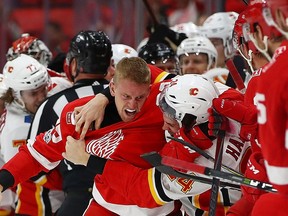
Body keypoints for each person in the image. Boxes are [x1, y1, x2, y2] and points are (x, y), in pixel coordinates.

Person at [0, 57, 183, 215]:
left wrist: (102, 97)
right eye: (126, 96)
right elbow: (37, 153)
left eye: (140, 97)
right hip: (106, 207)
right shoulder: (81, 115)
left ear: (150, 90)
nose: (132, 106)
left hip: (159, 207)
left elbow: (194, 85)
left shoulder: (163, 101)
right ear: (112, 88)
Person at [69, 74, 251, 215]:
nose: (163, 126)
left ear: (189, 123)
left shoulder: (202, 162)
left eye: (171, 124)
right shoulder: (216, 97)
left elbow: (144, 191)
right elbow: (149, 71)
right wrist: (103, 97)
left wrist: (88, 160)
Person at [26, 30, 113, 216]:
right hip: (130, 198)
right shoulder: (127, 98)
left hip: (80, 199)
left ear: (74, 64)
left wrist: (68, 177)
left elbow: (35, 167)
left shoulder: (53, 104)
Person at [0, 54, 59, 215]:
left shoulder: (26, 105)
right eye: (34, 94)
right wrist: (70, 180)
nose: (42, 97)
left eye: (43, 90)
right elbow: (28, 175)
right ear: (17, 95)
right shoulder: (17, 128)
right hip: (37, 206)